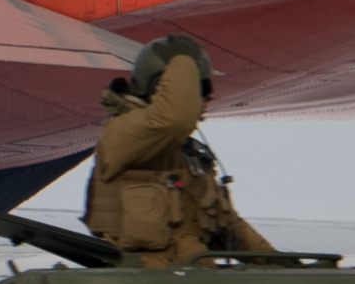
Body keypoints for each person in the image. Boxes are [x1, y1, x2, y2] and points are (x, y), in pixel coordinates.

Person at [82, 36, 273, 269]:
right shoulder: (124, 134)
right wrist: (183, 60)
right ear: (162, 86)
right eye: (198, 91)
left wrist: (278, 262)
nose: (206, 101)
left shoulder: (183, 152)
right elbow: (174, 118)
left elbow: (227, 226)